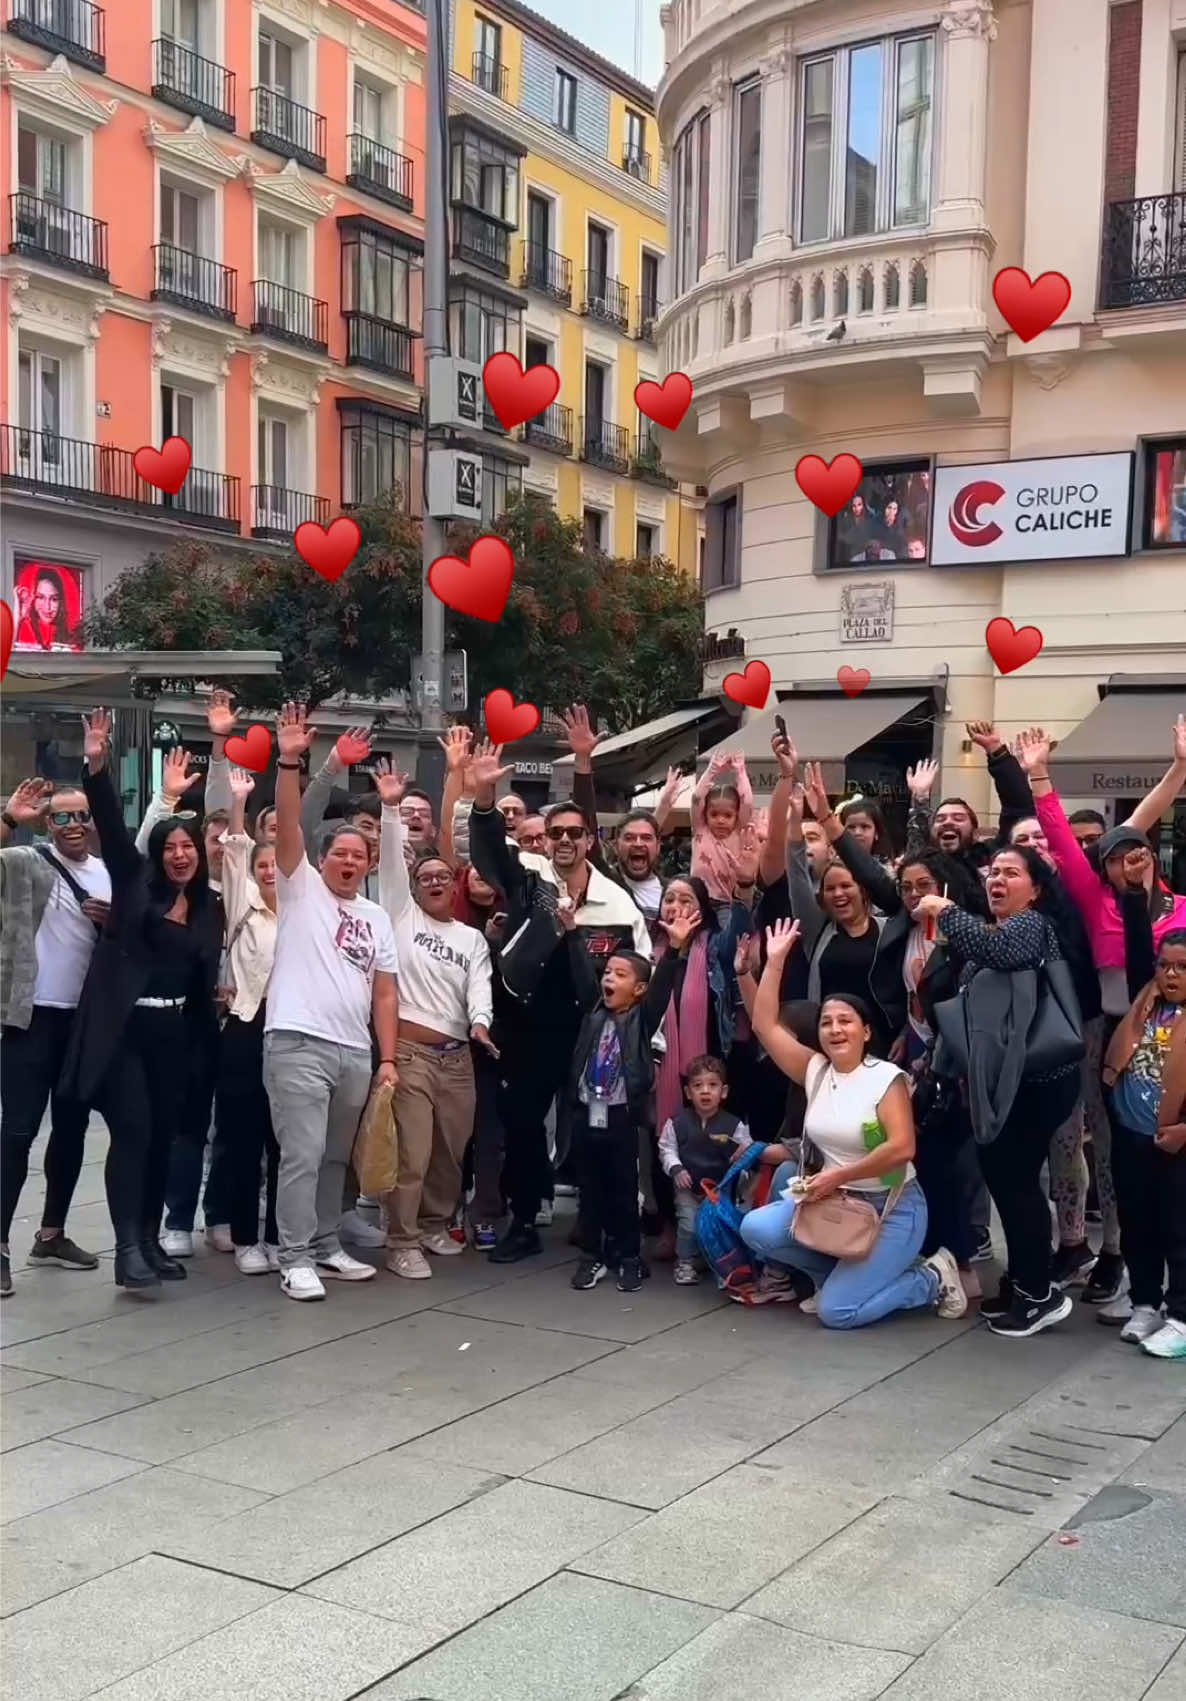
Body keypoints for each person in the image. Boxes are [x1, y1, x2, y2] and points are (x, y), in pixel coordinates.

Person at [469, 742, 652, 1265]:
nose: (565, 840)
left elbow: (635, 975)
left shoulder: (618, 903)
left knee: (597, 1130)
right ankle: (523, 1221)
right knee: (522, 1127)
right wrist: (484, 792)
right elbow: (485, 851)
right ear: (545, 840)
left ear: (590, 840)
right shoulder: (530, 879)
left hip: (590, 1033)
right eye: (556, 833)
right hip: (526, 1030)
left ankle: (596, 1227)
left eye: (575, 833)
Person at [60, 710, 223, 1294]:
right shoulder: (133, 886)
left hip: (177, 1041)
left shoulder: (208, 908)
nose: (180, 854)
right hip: (125, 1033)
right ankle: (127, 1247)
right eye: (171, 846)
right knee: (132, 1132)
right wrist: (97, 761)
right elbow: (107, 816)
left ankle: (150, 1240)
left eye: (189, 847)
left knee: (161, 1137)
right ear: (156, 854)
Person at [740, 919, 966, 1327]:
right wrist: (773, 963)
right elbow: (764, 1025)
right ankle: (840, 1278)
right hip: (836, 1203)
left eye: (845, 1021)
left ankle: (930, 1277)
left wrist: (835, 1176)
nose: (834, 1028)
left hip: (892, 1208)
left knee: (837, 1313)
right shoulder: (816, 1070)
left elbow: (901, 1148)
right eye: (826, 1021)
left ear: (865, 1031)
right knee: (756, 1227)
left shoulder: (885, 1078)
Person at [914, 845, 1084, 1338]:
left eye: (1012, 873)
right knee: (1010, 1177)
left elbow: (1000, 952)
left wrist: (944, 910)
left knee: (1012, 1178)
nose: (998, 880)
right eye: (993, 872)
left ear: (1035, 890)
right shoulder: (992, 931)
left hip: (1039, 1080)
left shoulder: (1029, 927)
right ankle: (1027, 1281)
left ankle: (1037, 1293)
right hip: (1011, 1081)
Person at [263, 702, 399, 1302]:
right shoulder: (299, 890)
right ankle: (292, 1256)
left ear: (369, 865)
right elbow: (290, 823)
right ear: (321, 860)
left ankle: (323, 1244)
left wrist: (387, 1058)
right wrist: (294, 759)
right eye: (339, 853)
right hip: (296, 1041)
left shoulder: (374, 916)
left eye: (359, 856)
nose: (349, 861)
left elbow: (385, 992)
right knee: (302, 1152)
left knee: (336, 1159)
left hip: (354, 1050)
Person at [375, 758, 495, 1280]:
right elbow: (394, 866)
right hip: (411, 1053)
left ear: (456, 884)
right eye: (425, 877)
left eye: (443, 876)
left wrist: (481, 1023)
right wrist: (389, 808)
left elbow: (479, 986)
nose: (433, 882)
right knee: (414, 1152)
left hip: (458, 1057)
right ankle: (400, 1240)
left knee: (450, 1152)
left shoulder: (471, 939)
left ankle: (433, 1224)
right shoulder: (401, 914)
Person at [1, 777, 110, 1298]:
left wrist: (110, 923)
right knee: (17, 1133)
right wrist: (8, 820)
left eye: (82, 815)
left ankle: (51, 1235)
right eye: (62, 817)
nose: (74, 825)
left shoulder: (108, 874)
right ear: (47, 824)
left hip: (81, 1023)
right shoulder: (25, 862)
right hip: (29, 1018)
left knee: (70, 1131)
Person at [563, 903, 686, 1293]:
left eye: (620, 974)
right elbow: (584, 976)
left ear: (638, 990)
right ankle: (592, 1255)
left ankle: (629, 1256)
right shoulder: (592, 1013)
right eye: (608, 973)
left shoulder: (641, 1016)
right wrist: (570, 934)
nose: (608, 979)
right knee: (590, 1189)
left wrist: (676, 951)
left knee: (621, 1189)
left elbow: (663, 986)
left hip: (620, 1116)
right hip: (586, 1113)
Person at [1102, 928, 1186, 1357]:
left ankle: (1181, 1316)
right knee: (1138, 1221)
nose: (1171, 974)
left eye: (1183, 967)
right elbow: (1135, 948)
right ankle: (1146, 1302)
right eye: (1165, 965)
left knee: (1178, 1227)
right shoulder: (1146, 1003)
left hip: (1178, 1144)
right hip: (1133, 1134)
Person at [215, 767, 280, 1275]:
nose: (270, 871)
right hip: (243, 1025)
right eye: (263, 864)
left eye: (278, 864)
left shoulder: (305, 910)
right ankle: (243, 1236)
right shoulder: (245, 905)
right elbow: (234, 849)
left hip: (290, 1032)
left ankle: (280, 1234)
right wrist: (240, 803)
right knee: (242, 1137)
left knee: (286, 1140)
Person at [786, 763, 896, 1055]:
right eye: (830, 888)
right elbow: (796, 874)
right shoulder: (818, 931)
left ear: (863, 889)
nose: (838, 894)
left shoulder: (890, 929)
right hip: (829, 1047)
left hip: (882, 1047)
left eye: (846, 886)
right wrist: (795, 820)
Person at [659, 1054, 761, 1285]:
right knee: (688, 1225)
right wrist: (676, 1169)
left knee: (718, 1228)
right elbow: (666, 1149)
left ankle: (718, 1262)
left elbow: (747, 1152)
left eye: (712, 1085)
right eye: (698, 1086)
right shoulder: (676, 1123)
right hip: (688, 1187)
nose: (705, 1091)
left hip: (719, 1191)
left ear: (723, 1092)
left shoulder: (734, 1125)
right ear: (688, 1093)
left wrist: (741, 1160)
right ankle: (684, 1262)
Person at [687, 751, 754, 910]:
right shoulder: (701, 829)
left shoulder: (739, 832)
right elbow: (696, 798)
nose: (720, 820)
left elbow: (747, 802)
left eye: (728, 815)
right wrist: (711, 770)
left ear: (737, 815)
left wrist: (741, 772)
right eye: (714, 814)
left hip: (726, 904)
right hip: (696, 901)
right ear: (705, 814)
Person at [14, 565, 79, 650]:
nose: (47, 607)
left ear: (61, 602)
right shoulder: (23, 627)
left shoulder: (71, 635)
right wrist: (17, 617)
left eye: (54, 599)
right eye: (40, 597)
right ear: (32, 598)